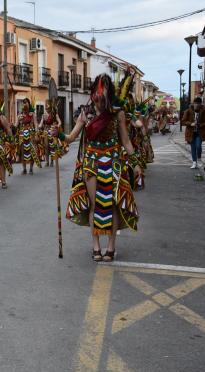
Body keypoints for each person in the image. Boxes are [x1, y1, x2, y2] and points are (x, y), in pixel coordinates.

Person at [53, 73, 142, 262]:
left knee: (113, 205)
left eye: (104, 93)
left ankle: (111, 246)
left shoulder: (117, 112)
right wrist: (59, 134)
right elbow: (71, 137)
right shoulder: (86, 112)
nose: (100, 97)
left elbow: (125, 141)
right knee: (95, 204)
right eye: (97, 93)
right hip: (92, 163)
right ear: (94, 92)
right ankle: (96, 247)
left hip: (114, 162)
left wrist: (135, 163)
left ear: (108, 94)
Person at [182, 97, 205, 169]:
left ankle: (199, 159)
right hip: (190, 132)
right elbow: (183, 121)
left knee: (198, 146)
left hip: (200, 132)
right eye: (195, 103)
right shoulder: (188, 110)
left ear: (201, 104)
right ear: (193, 103)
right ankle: (194, 162)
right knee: (193, 147)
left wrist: (199, 125)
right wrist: (190, 123)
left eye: (198, 104)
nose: (196, 105)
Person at [15, 98, 41, 175]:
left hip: (31, 134)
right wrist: (13, 125)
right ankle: (24, 169)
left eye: (25, 103)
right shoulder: (20, 115)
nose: (24, 104)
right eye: (23, 103)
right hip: (22, 134)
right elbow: (16, 125)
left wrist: (36, 133)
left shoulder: (32, 114)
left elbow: (36, 124)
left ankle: (31, 168)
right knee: (22, 151)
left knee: (31, 151)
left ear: (29, 104)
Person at [39, 99, 64, 167]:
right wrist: (38, 127)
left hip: (52, 131)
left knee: (52, 146)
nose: (47, 109)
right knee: (46, 146)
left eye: (48, 107)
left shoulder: (54, 114)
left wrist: (57, 125)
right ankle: (47, 161)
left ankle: (52, 160)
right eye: (46, 107)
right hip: (46, 132)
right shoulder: (43, 115)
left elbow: (60, 122)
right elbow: (41, 124)